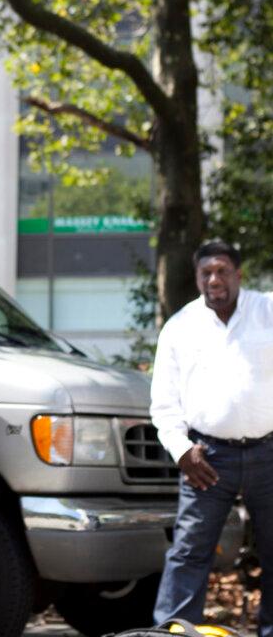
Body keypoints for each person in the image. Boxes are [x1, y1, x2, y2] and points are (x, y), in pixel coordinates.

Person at [150, 241, 273, 637]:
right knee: (188, 553)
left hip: (269, 454)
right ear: (198, 277)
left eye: (222, 270)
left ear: (239, 275)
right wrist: (182, 449)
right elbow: (164, 403)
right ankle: (174, 633)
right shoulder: (180, 327)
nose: (214, 279)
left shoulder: (267, 311)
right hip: (207, 458)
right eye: (206, 272)